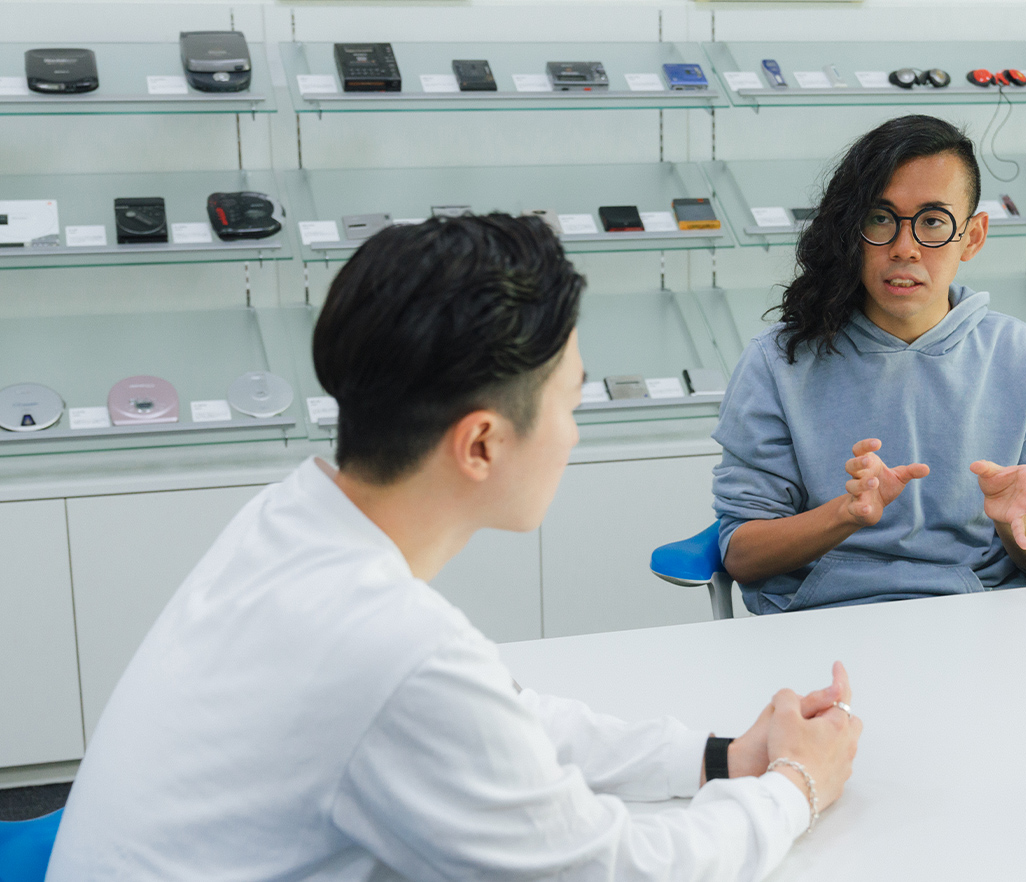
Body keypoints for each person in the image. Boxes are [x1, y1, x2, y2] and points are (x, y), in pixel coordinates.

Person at [48, 215, 861, 881]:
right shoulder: (394, 650)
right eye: (569, 403)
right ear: (480, 444)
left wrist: (722, 756)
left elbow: (498, 722)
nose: (573, 434)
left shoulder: (291, 518)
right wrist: (796, 783)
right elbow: (620, 869)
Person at [713, 114, 1026, 614]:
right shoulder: (779, 359)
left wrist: (1010, 520)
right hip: (819, 627)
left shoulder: (1024, 358)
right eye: (880, 218)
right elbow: (741, 554)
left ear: (972, 237)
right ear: (854, 230)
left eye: (933, 221)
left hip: (974, 622)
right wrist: (844, 515)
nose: (904, 248)